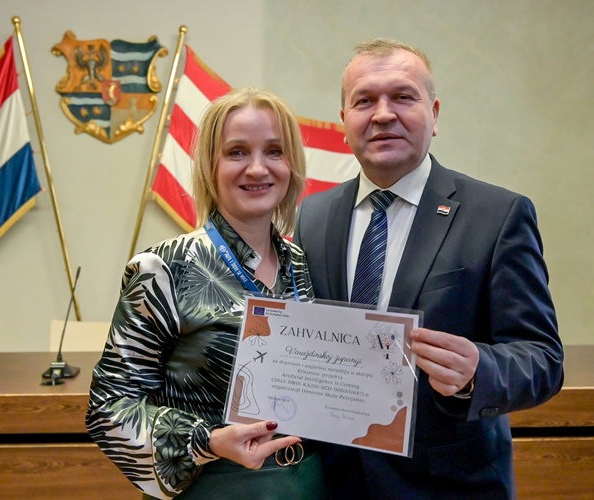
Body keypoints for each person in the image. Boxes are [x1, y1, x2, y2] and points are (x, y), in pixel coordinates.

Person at [294, 38, 564, 499]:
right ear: (344, 121)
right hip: (337, 483)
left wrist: (479, 370)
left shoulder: (498, 215)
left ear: (434, 114)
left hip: (449, 485)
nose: (383, 114)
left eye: (403, 96)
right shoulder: (312, 216)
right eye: (364, 101)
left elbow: (543, 358)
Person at [86, 88, 325, 499]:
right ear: (210, 166)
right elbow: (109, 408)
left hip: (308, 484)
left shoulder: (303, 264)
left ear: (292, 165)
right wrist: (208, 440)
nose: (257, 168)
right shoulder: (164, 268)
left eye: (274, 151)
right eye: (236, 152)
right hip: (216, 487)